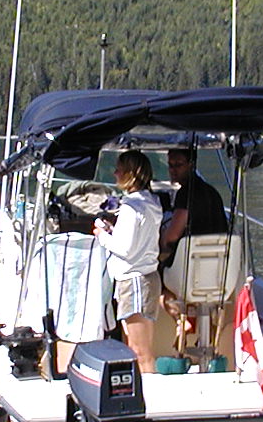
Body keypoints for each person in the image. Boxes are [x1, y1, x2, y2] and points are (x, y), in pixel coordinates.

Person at [92, 149, 163, 373]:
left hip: (134, 282)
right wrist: (114, 230)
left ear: (130, 174)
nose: (115, 173)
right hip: (145, 278)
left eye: (119, 170)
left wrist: (102, 235)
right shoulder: (150, 202)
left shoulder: (132, 208)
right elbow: (137, 240)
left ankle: (148, 391)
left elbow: (125, 249)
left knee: (139, 351)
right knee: (138, 348)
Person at [160, 146, 227, 263]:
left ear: (191, 165)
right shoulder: (212, 191)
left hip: (190, 261)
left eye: (178, 165)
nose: (173, 170)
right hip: (218, 260)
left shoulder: (185, 193)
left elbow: (172, 237)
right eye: (170, 165)